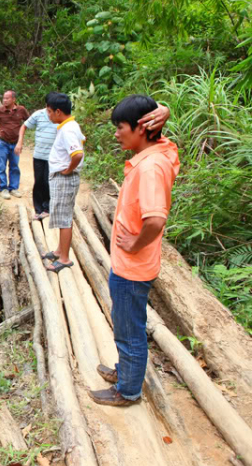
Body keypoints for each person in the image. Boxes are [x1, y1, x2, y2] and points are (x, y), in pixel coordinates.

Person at [89, 95, 179, 407]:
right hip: (135, 265)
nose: (116, 133)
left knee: (129, 332)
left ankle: (127, 391)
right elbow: (167, 141)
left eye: (120, 127)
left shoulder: (151, 168)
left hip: (132, 268)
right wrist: (163, 111)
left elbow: (155, 220)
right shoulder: (159, 151)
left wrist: (134, 243)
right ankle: (124, 372)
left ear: (141, 128)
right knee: (128, 325)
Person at [40, 92, 84, 273]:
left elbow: (77, 153)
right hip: (62, 178)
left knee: (64, 218)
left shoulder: (67, 130)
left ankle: (64, 258)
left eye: (49, 112)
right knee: (61, 216)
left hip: (65, 179)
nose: (48, 115)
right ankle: (60, 250)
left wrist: (68, 170)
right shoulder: (69, 126)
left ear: (58, 112)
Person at [17, 92, 58, 220]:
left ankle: (47, 208)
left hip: (53, 157)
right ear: (47, 105)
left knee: (48, 182)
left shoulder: (59, 116)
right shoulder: (38, 115)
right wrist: (20, 142)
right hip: (39, 155)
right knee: (39, 182)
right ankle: (38, 209)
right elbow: (24, 126)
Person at [0, 91, 29, 199]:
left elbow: (28, 122)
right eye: (4, 98)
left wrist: (21, 134)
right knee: (1, 166)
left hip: (15, 144)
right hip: (3, 143)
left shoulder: (21, 110)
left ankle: (14, 188)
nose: (4, 100)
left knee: (14, 166)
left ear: (13, 99)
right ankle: (3, 188)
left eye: (7, 98)